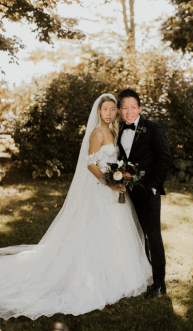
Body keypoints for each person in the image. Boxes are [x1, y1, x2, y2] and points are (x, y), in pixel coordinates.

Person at [0, 94, 152, 321]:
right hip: (101, 191)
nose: (109, 113)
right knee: (97, 232)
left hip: (114, 190)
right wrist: (109, 183)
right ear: (99, 111)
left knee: (116, 233)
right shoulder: (97, 133)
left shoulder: (112, 131)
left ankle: (115, 272)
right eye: (106, 109)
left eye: (113, 109)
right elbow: (90, 164)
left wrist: (119, 177)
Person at [117, 89, 173, 298]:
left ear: (140, 108)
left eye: (133, 107)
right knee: (137, 237)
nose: (129, 112)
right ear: (120, 110)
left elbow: (166, 159)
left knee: (153, 236)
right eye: (125, 108)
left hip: (149, 193)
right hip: (129, 194)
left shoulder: (152, 128)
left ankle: (159, 284)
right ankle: (144, 274)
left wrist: (154, 186)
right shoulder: (120, 130)